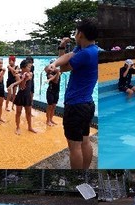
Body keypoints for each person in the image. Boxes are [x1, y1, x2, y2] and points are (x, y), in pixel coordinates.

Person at [45, 18, 98, 169]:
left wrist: (54, 66)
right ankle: (85, 172)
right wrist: (60, 52)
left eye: (76, 32)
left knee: (74, 147)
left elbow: (65, 68)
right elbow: (67, 57)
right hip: (87, 104)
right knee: (85, 141)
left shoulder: (85, 54)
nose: (74, 34)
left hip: (75, 106)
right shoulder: (89, 50)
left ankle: (77, 179)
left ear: (80, 34)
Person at [10, 60, 36, 134]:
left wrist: (26, 77)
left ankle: (30, 127)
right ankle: (18, 127)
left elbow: (29, 78)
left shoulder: (30, 74)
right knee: (18, 112)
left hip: (27, 96)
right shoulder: (18, 75)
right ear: (23, 68)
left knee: (28, 112)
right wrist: (24, 79)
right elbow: (22, 87)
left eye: (30, 67)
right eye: (28, 67)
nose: (30, 68)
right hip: (20, 95)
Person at [45, 59, 61, 126]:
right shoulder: (49, 74)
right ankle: (48, 120)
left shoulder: (57, 71)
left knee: (54, 106)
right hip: (50, 91)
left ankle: (51, 119)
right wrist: (58, 73)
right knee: (50, 106)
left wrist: (58, 72)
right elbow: (56, 81)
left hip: (56, 91)